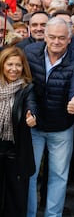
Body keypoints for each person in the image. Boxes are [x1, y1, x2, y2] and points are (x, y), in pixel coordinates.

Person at [25, 17, 74, 217]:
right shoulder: (30, 53)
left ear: (69, 39)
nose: (56, 42)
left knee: (59, 176)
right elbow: (27, 88)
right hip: (34, 125)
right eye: (52, 37)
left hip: (62, 127)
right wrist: (31, 110)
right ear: (44, 36)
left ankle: (54, 215)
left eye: (62, 38)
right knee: (30, 174)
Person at [0, 47, 37, 216]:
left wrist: (32, 117)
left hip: (16, 150)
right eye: (10, 64)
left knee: (16, 198)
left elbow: (32, 105)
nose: (14, 69)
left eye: (18, 65)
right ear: (2, 65)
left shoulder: (26, 88)